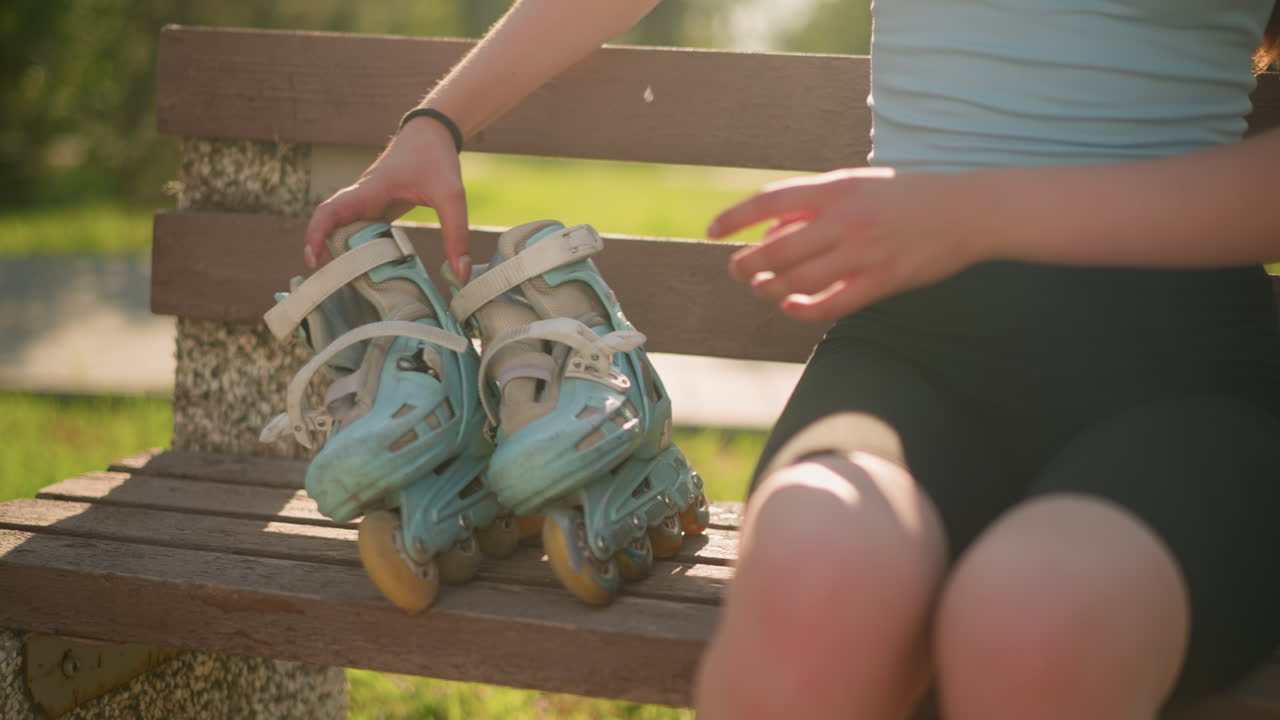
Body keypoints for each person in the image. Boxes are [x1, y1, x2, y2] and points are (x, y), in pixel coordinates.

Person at [304, 1, 1280, 718]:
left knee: (1037, 616)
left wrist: (972, 212)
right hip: (918, 351)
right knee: (818, 567)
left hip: (1183, 375)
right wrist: (433, 125)